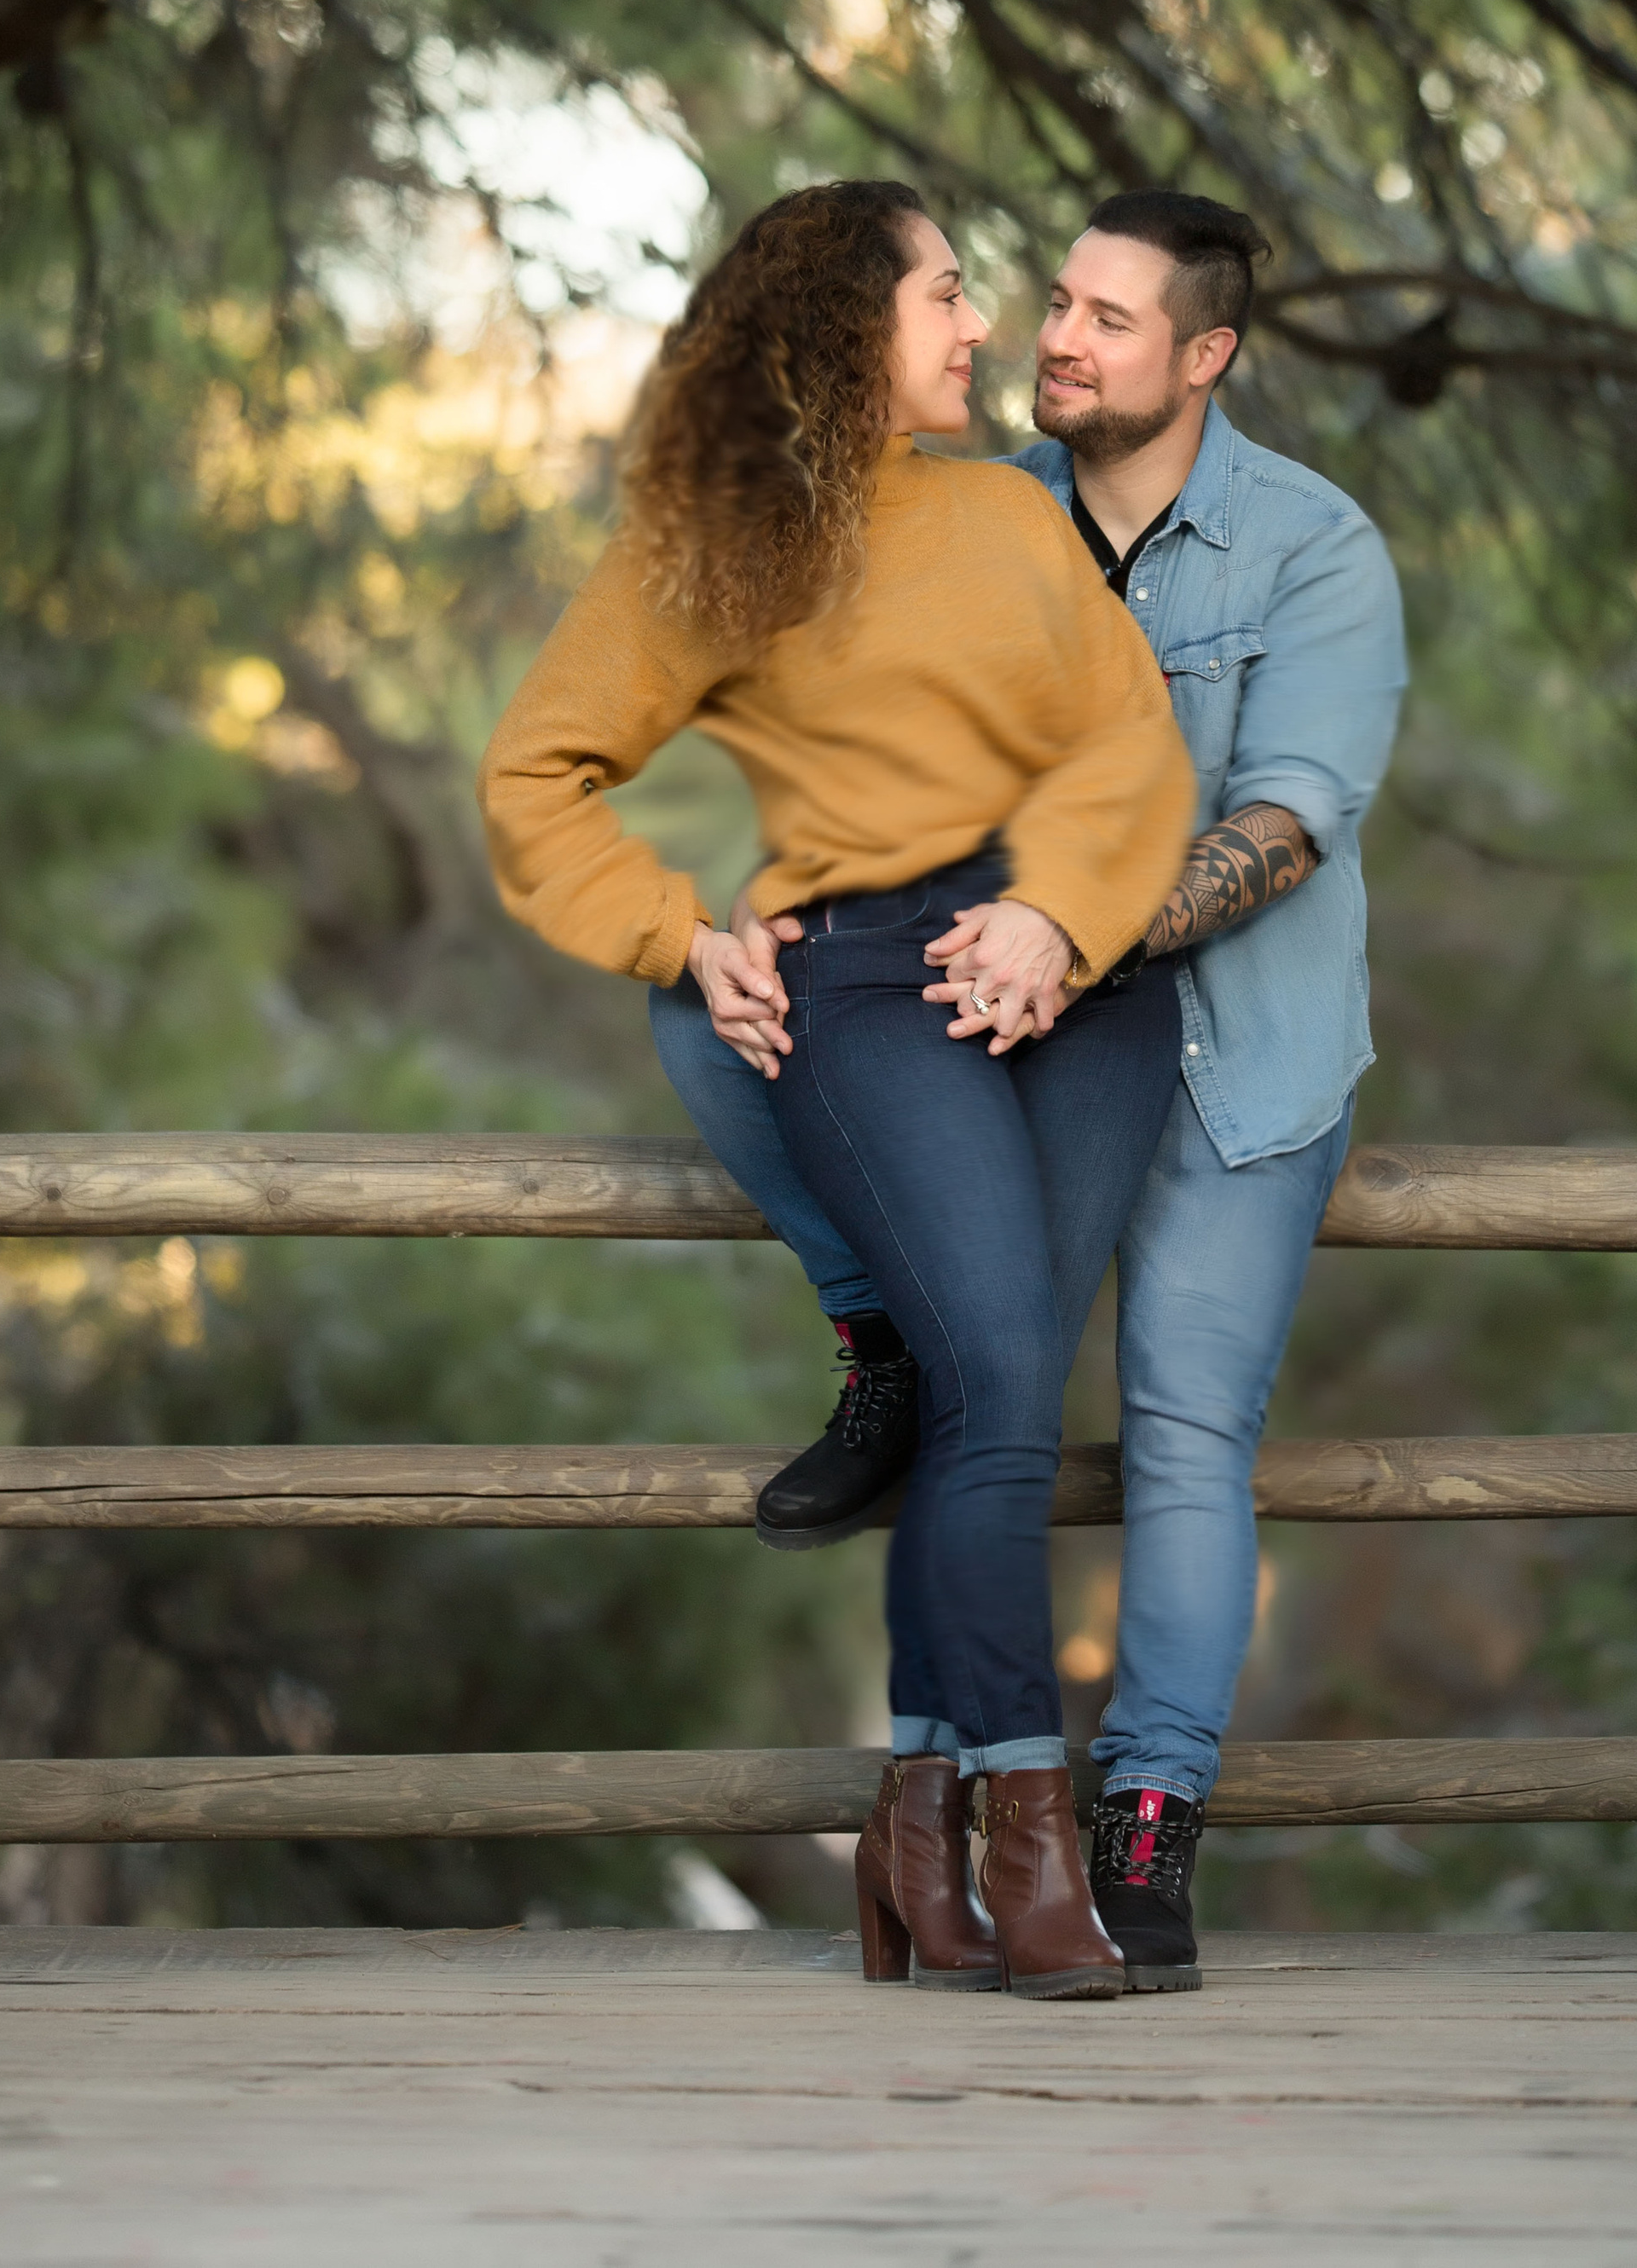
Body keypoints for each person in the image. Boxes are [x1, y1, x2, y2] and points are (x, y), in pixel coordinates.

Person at [678, 190, 1406, 1990]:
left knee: (1183, 1431)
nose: (1056, 338)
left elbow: (1286, 820)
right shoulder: (965, 511)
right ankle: (927, 1805)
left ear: (1205, 355)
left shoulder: (1313, 547)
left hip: (1235, 1055)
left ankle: (1143, 1813)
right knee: (973, 1383)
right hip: (1013, 1032)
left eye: (1107, 318)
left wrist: (1077, 922)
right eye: (1056, 302)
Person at [477, 180, 1197, 1999]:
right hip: (868, 979)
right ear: (841, 324)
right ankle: (1029, 1835)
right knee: (1002, 1385)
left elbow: (1129, 747)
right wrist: (672, 931)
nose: (983, 325)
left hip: (1083, 988)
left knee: (979, 1397)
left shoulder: (1010, 517)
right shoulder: (714, 546)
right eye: (946, 292)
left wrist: (1058, 915)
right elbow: (537, 773)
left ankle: (914, 1826)